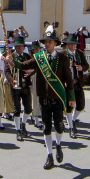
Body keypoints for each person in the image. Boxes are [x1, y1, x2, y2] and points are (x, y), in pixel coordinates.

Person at [19, 32, 75, 170]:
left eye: (50, 42)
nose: (47, 44)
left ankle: (59, 145)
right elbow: (24, 65)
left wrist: (71, 98)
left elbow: (68, 79)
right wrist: (11, 61)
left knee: (59, 126)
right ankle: (49, 155)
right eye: (46, 42)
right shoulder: (39, 58)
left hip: (57, 97)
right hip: (44, 97)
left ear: (55, 43)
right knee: (46, 127)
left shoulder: (62, 58)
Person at [8, 35, 34, 141]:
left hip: (25, 85)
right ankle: (18, 130)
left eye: (21, 46)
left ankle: (23, 124)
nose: (19, 48)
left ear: (24, 47)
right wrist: (11, 80)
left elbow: (35, 67)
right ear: (15, 47)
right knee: (17, 109)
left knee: (28, 108)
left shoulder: (28, 57)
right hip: (15, 86)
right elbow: (6, 71)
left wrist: (30, 73)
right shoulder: (11, 57)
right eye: (17, 46)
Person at [64, 33, 89, 138]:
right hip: (68, 84)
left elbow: (87, 65)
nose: (73, 46)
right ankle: (71, 128)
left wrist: (81, 68)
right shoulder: (62, 54)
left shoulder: (80, 54)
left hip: (78, 82)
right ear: (67, 44)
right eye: (71, 44)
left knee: (81, 105)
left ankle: (73, 120)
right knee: (69, 107)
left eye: (74, 45)